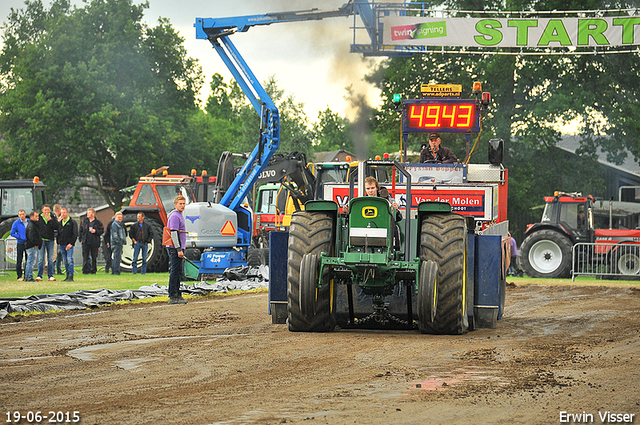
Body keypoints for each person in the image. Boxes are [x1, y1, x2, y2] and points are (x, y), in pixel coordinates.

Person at [166, 195, 187, 304]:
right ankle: (173, 295)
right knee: (175, 271)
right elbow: (174, 233)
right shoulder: (175, 216)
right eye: (180, 204)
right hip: (175, 248)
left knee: (178, 272)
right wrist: (178, 249)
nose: (182, 205)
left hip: (178, 247)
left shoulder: (179, 215)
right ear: (175, 205)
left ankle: (177, 294)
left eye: (184, 203)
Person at [79, 208, 104, 274]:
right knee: (85, 257)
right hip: (85, 242)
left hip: (94, 242)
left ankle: (93, 270)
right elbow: (80, 231)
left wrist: (95, 231)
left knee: (94, 257)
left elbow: (102, 231)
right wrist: (81, 239)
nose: (87, 214)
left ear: (93, 214)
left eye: (89, 212)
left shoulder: (98, 222)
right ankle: (85, 270)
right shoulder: (84, 222)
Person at [37, 204, 58, 281]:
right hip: (42, 240)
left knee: (50, 258)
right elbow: (37, 228)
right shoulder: (39, 217)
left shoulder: (53, 216)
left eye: (48, 210)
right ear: (42, 210)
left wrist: (50, 220)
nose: (46, 211)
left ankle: (50, 275)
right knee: (41, 258)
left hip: (50, 240)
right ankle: (39, 275)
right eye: (45, 210)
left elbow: (57, 226)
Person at [57, 207, 78, 282]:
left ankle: (71, 275)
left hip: (69, 244)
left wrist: (71, 243)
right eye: (62, 213)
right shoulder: (59, 223)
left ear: (67, 213)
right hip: (61, 244)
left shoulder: (72, 222)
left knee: (69, 260)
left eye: (64, 213)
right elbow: (57, 232)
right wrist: (58, 242)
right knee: (65, 261)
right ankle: (67, 275)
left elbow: (75, 233)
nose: (63, 214)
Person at [10, 209, 28, 281]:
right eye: (20, 214)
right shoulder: (16, 223)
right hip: (20, 243)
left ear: (25, 214)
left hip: (28, 243)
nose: (22, 216)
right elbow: (12, 233)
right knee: (19, 259)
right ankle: (19, 276)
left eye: (23, 214)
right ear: (18, 215)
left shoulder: (29, 222)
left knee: (28, 259)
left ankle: (27, 274)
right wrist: (19, 236)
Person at [24, 211, 42, 282]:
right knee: (30, 262)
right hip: (31, 246)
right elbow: (32, 237)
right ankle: (29, 277)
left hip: (31, 246)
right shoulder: (32, 225)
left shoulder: (32, 224)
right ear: (32, 217)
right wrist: (36, 244)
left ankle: (27, 276)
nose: (38, 217)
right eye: (36, 216)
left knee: (30, 261)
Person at [53, 204, 63, 275]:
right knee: (54, 255)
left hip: (59, 238)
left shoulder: (59, 217)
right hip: (54, 238)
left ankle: (58, 270)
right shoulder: (53, 217)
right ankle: (53, 270)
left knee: (59, 255)